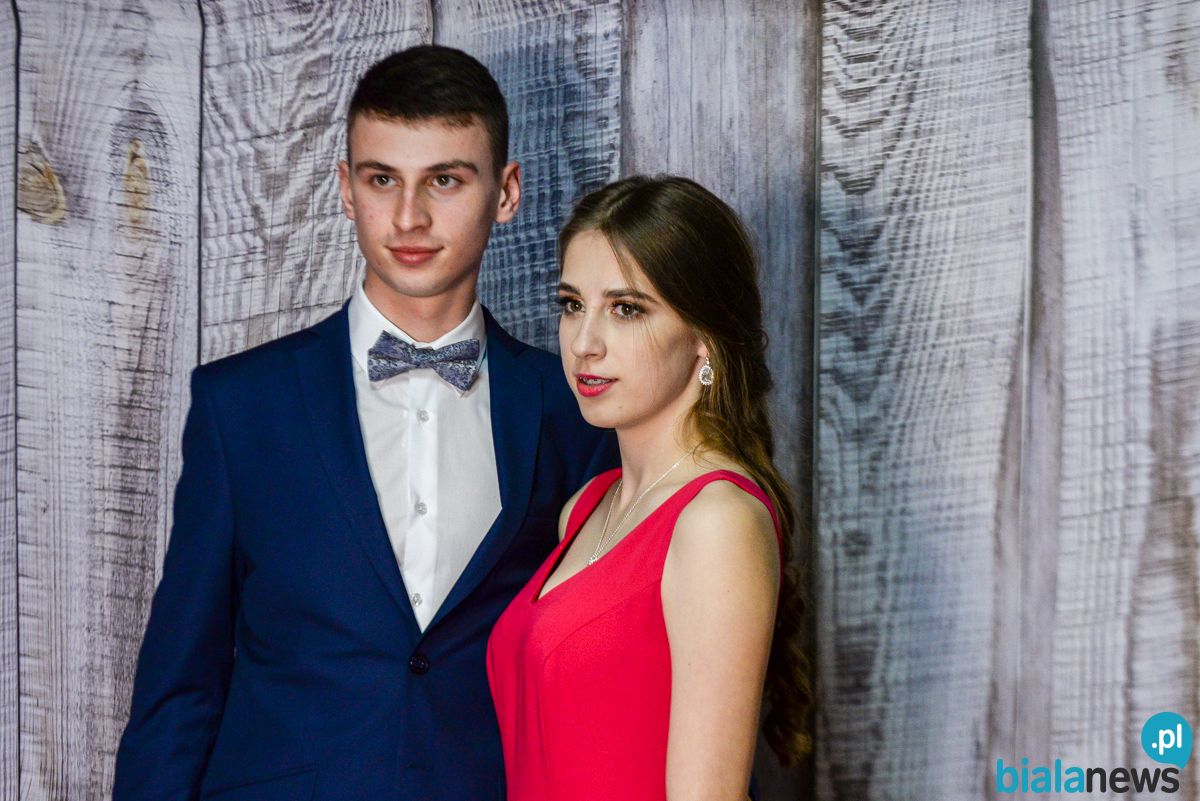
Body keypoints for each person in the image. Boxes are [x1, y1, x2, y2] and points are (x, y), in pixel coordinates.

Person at [113, 45, 617, 801]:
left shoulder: (573, 410)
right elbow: (179, 686)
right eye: (383, 180)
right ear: (347, 189)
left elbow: (606, 672)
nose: (409, 217)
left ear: (507, 192)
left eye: (444, 180)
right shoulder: (241, 406)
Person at [487, 175, 812, 800]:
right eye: (572, 305)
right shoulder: (588, 506)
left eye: (626, 309)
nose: (584, 344)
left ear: (703, 338)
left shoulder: (716, 520)